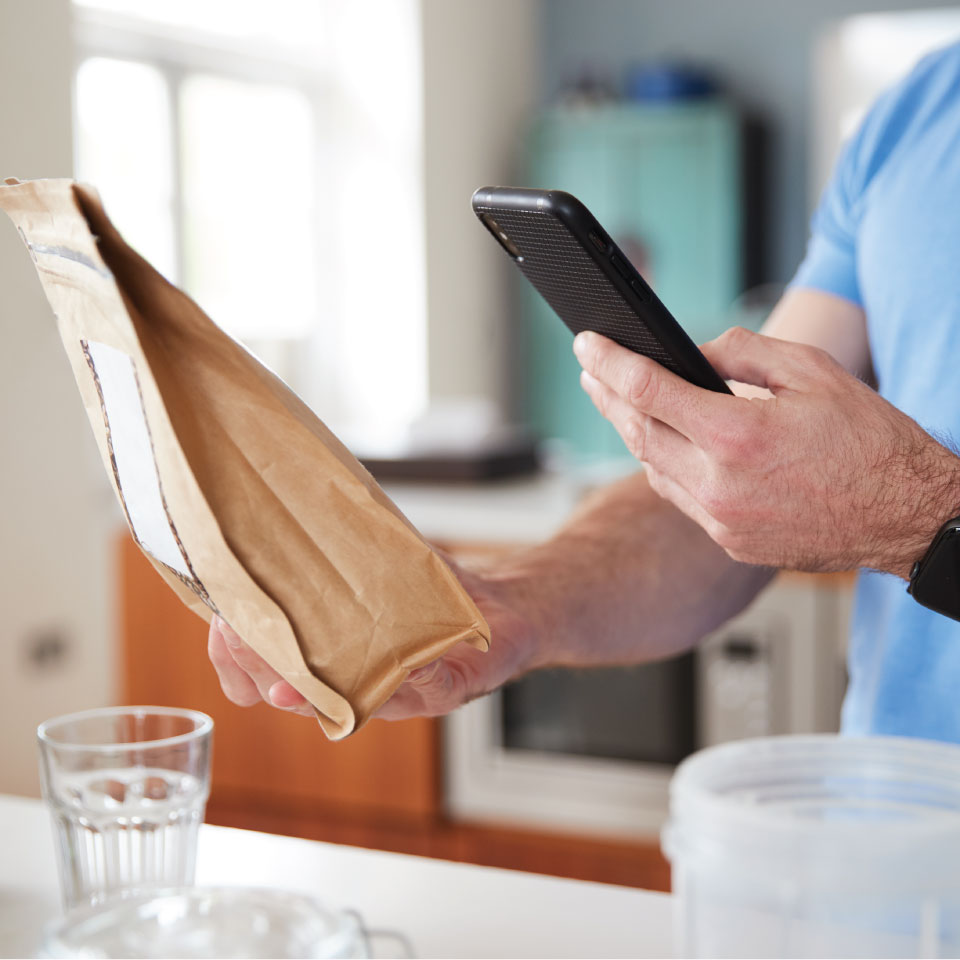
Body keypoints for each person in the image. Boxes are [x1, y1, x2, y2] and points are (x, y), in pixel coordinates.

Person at [209, 43, 960, 742]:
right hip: (892, 835)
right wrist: (517, 604)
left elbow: (884, 504)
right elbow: (731, 492)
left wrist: (918, 517)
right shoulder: (913, 116)